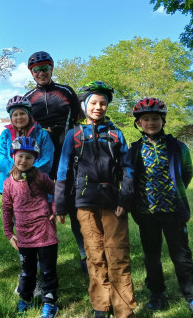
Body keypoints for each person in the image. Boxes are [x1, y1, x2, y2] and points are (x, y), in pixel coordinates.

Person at [55, 81, 137, 318]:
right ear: (85, 105)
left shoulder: (116, 134)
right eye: (93, 103)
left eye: (103, 103)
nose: (98, 107)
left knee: (118, 255)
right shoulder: (74, 134)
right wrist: (60, 205)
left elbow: (128, 169)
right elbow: (63, 171)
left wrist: (125, 199)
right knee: (95, 255)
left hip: (113, 203)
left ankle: (124, 309)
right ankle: (101, 305)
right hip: (85, 204)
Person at [128, 97, 193, 317]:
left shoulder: (177, 147)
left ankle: (191, 292)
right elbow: (130, 178)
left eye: (155, 118)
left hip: (173, 211)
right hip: (146, 212)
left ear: (163, 120)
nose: (151, 123)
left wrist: (176, 193)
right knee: (151, 255)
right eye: (146, 119)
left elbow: (187, 172)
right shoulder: (134, 150)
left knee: (181, 254)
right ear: (139, 123)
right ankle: (157, 292)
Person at [23, 51, 87, 271]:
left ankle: (85, 256)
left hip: (68, 156)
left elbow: (79, 119)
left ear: (51, 69)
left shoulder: (66, 91)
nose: (41, 73)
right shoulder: (29, 97)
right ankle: (44, 261)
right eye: (36, 70)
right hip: (42, 159)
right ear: (32, 73)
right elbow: (25, 126)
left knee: (75, 207)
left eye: (45, 68)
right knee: (42, 210)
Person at [2, 136, 59, 318]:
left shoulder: (41, 177)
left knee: (47, 271)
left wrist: (55, 209)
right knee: (27, 272)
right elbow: (6, 208)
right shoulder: (8, 183)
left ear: (34, 159)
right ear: (13, 156)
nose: (24, 161)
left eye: (29, 157)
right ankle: (25, 299)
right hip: (24, 235)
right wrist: (8, 232)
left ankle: (50, 303)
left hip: (45, 233)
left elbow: (56, 190)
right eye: (20, 156)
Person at [0, 95, 54, 194]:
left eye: (22, 113)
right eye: (15, 115)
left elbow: (47, 158)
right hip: (10, 181)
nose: (19, 117)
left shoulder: (42, 134)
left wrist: (29, 172)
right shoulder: (6, 134)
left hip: (36, 181)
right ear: (11, 117)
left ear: (29, 115)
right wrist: (13, 170)